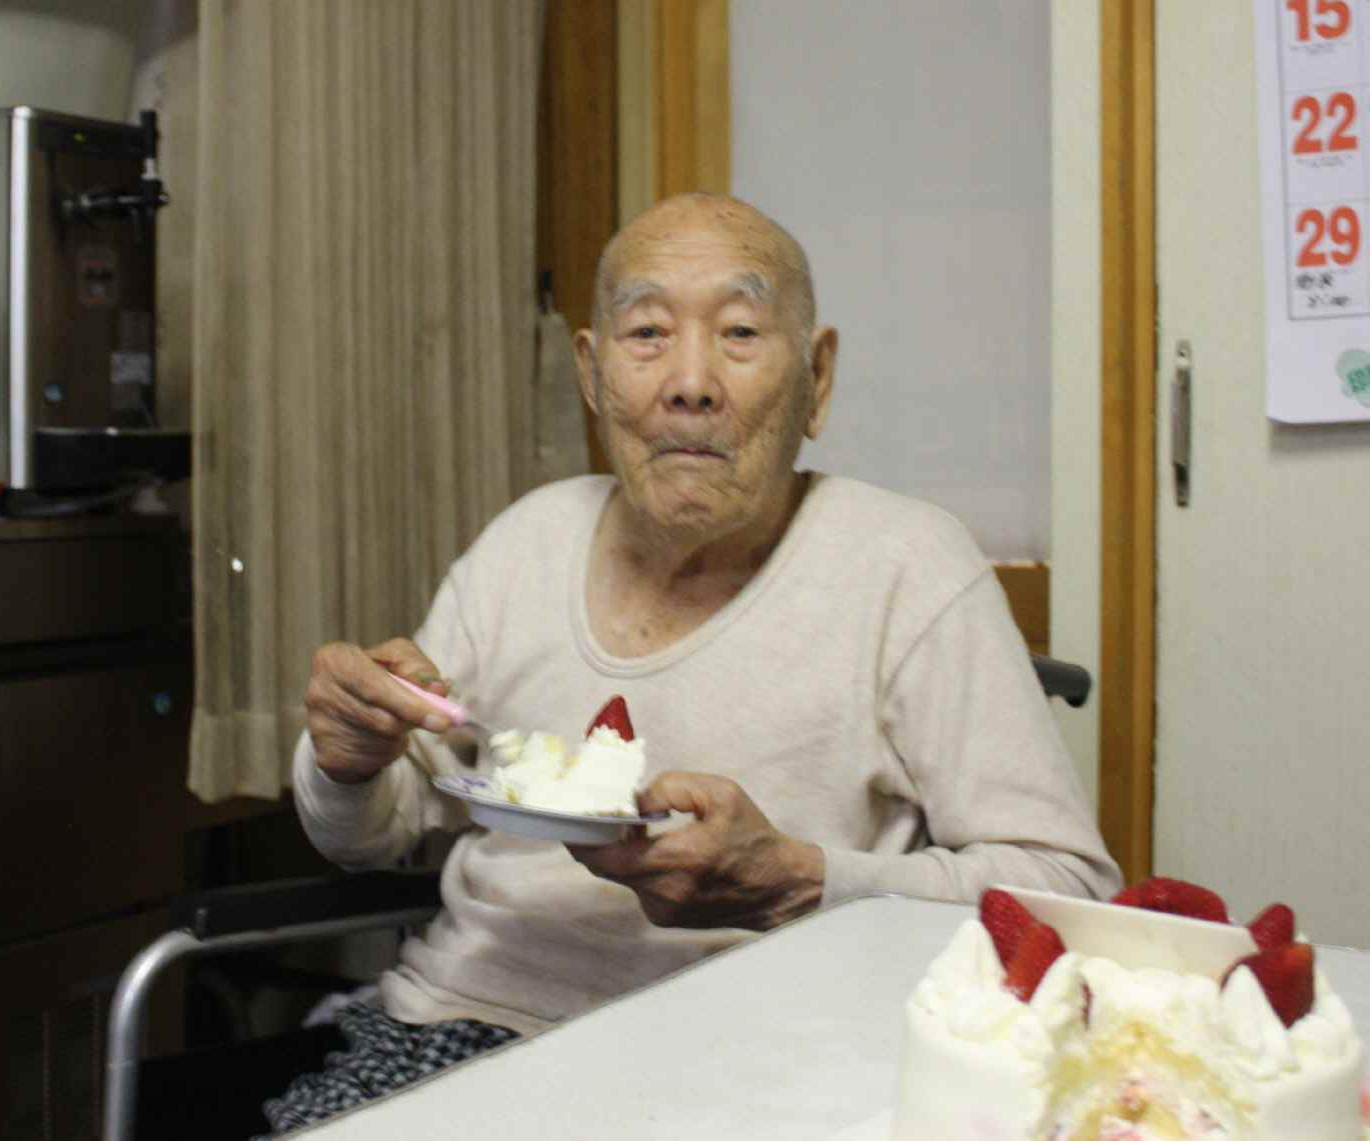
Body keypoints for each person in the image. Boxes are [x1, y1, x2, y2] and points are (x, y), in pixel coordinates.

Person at [263, 193, 1119, 1134]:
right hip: (462, 1028)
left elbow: (1069, 893)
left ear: (817, 378)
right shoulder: (526, 541)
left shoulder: (908, 566)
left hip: (767, 1063)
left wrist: (801, 880)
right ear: (592, 374)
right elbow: (372, 831)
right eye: (647, 333)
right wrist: (348, 763)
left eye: (741, 331)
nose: (690, 383)